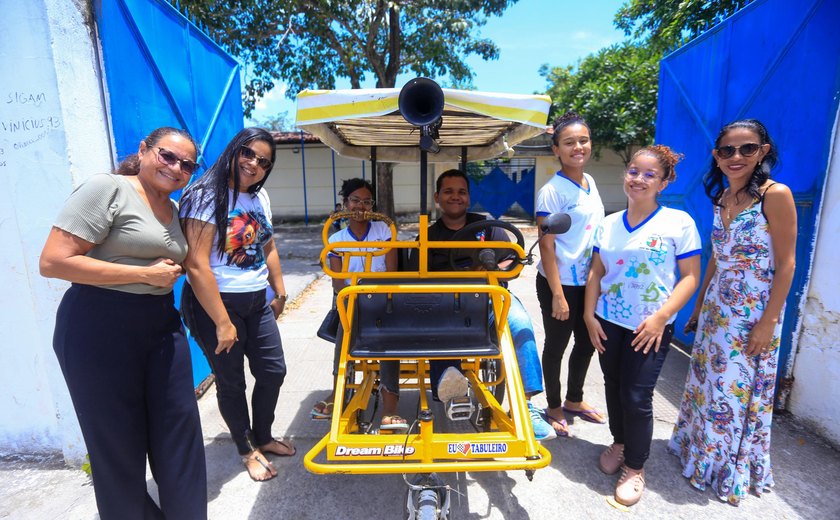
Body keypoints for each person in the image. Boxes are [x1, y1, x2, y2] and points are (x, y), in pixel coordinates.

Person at [40, 127, 207, 519]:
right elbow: (53, 261)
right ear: (144, 150)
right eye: (167, 156)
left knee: (179, 437)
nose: (176, 167)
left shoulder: (176, 210)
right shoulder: (107, 189)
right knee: (117, 448)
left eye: (187, 164)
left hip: (161, 326)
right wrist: (143, 276)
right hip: (97, 327)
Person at [668, 120, 796, 505]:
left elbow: (787, 264)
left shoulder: (777, 195)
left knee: (735, 390)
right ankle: (698, 452)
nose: (736, 157)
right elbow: (716, 259)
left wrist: (769, 322)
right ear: (716, 156)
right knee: (707, 382)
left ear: (764, 151)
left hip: (754, 313)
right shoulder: (721, 196)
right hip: (716, 311)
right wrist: (699, 304)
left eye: (747, 149)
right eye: (728, 150)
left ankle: (728, 467)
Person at [584, 145, 701, 507]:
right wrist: (589, 315)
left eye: (650, 174)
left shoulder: (678, 223)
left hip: (649, 327)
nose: (639, 179)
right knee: (614, 386)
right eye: (634, 171)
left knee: (636, 396)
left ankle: (635, 467)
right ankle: (619, 443)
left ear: (664, 182)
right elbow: (597, 272)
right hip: (608, 322)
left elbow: (690, 278)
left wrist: (661, 318)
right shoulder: (609, 223)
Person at [179, 127, 294, 483]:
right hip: (214, 305)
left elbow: (268, 246)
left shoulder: (258, 198)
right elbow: (196, 264)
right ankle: (246, 449)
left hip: (256, 302)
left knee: (273, 371)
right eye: (248, 153)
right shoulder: (203, 194)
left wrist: (280, 290)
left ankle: (263, 435)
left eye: (263, 161)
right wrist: (222, 322)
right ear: (234, 150)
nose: (254, 164)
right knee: (231, 383)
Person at [427, 169, 556, 441]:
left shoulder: (488, 227)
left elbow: (512, 258)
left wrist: (492, 269)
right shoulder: (429, 237)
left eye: (461, 191)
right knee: (435, 325)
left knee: (520, 325)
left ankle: (527, 404)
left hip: (490, 300)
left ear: (469, 197)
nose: (455, 197)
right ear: (438, 197)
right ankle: (449, 388)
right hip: (446, 305)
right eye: (448, 191)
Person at [310, 178, 405, 431]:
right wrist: (355, 297)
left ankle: (390, 405)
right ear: (345, 204)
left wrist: (376, 296)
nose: (361, 206)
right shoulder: (337, 238)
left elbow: (391, 271)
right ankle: (336, 390)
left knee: (386, 336)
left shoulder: (385, 231)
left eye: (366, 201)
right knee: (346, 327)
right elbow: (338, 281)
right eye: (355, 200)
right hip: (353, 299)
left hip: (381, 297)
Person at [535, 111, 607, 437]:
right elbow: (547, 247)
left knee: (587, 343)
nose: (578, 147)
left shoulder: (590, 182)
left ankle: (574, 400)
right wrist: (558, 295)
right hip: (559, 282)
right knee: (557, 345)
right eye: (569, 142)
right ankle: (553, 406)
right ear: (556, 150)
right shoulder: (552, 191)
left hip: (588, 281)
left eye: (583, 140)